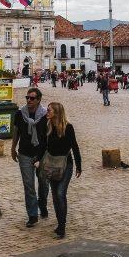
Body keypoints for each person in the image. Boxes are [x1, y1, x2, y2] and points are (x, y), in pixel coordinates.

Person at [40, 102, 82, 238]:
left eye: (49, 110)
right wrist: (37, 160)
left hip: (65, 164)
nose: (47, 112)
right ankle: (59, 224)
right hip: (52, 165)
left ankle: (62, 227)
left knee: (60, 193)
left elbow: (74, 147)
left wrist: (79, 165)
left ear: (56, 112)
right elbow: (42, 146)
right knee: (55, 196)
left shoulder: (68, 128)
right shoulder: (47, 126)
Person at [11, 88, 49, 227]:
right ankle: (32, 215)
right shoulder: (20, 114)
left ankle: (42, 202)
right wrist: (13, 147)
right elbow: (17, 131)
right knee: (29, 185)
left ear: (39, 100)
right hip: (25, 153)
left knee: (44, 183)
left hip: (42, 154)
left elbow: (48, 135)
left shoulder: (45, 115)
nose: (29, 100)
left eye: (32, 98)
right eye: (27, 97)